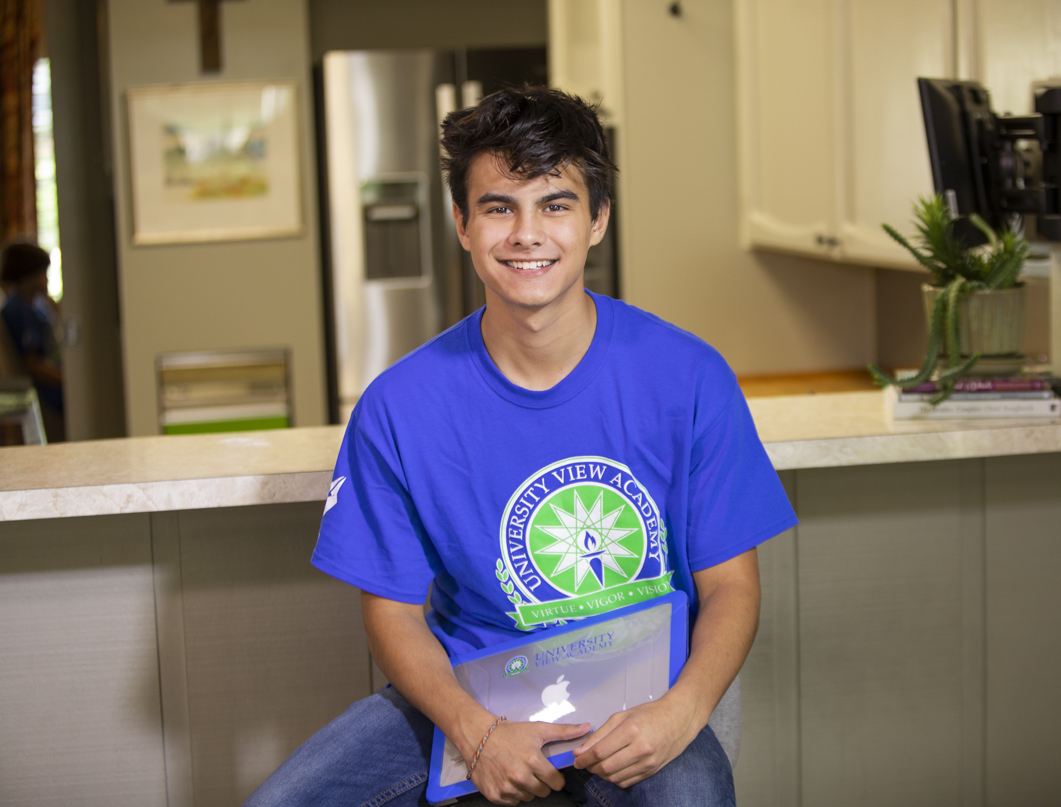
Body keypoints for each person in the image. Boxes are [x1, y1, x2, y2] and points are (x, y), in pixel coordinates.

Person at [247, 87, 797, 807]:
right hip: (471, 687)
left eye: (555, 205)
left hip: (644, 695)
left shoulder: (687, 376)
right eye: (499, 207)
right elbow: (392, 611)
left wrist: (682, 710)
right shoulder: (398, 406)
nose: (525, 234)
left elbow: (731, 586)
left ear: (596, 219)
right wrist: (474, 733)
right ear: (462, 224)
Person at [1, 242, 64, 441]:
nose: (45, 280)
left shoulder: (37, 306)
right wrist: (67, 381)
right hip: (45, 394)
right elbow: (33, 365)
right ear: (27, 275)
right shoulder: (18, 310)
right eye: (41, 273)